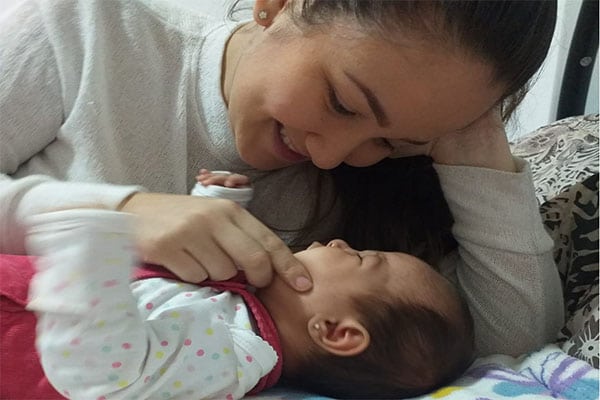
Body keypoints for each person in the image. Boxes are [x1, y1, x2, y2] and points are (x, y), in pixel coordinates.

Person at [0, 0, 563, 361]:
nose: (330, 157)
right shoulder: (87, 31)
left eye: (390, 141)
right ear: (277, 6)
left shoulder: (393, 188)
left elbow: (508, 347)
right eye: (342, 103)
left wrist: (474, 148)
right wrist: (119, 216)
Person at [0, 204, 474, 399]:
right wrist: (211, 200)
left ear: (336, 331)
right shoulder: (244, 308)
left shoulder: (230, 354)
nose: (338, 243)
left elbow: (108, 368)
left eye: (362, 258)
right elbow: (174, 279)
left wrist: (90, 260)